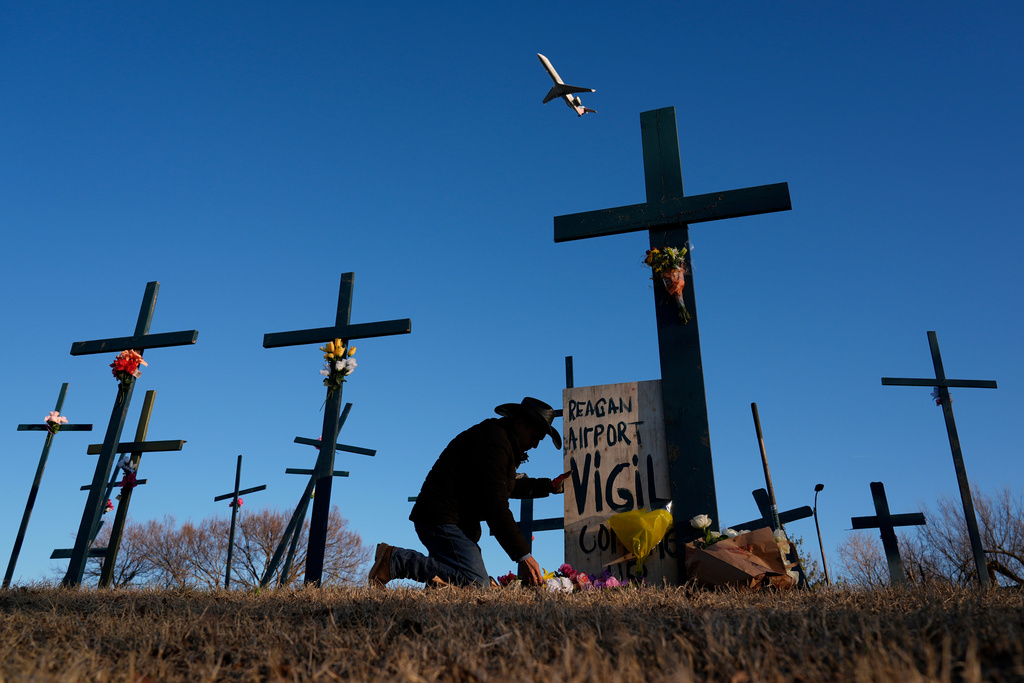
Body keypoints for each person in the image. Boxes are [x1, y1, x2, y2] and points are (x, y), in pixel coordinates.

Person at [369, 397, 568, 588]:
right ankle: (394, 560)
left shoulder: (502, 441)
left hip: (451, 521)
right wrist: (523, 556)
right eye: (534, 437)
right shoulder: (494, 442)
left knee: (457, 577)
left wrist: (549, 486)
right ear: (519, 423)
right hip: (442, 520)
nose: (535, 445)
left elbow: (504, 486)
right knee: (476, 584)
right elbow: (496, 505)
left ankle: (437, 588)